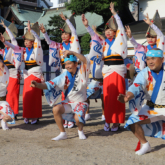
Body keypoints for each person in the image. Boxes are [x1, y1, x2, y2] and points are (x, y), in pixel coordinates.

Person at [30, 50, 90, 140]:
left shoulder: (82, 71)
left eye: (69, 63)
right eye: (65, 64)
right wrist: (37, 85)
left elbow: (85, 60)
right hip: (69, 103)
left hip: (81, 103)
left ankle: (80, 130)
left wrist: (73, 53)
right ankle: (62, 133)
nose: (67, 66)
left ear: (76, 64)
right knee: (56, 109)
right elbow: (49, 84)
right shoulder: (64, 75)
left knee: (78, 120)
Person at [118, 48, 165, 155]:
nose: (150, 61)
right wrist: (127, 96)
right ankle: (145, 145)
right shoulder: (144, 72)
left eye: (153, 58)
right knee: (132, 122)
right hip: (152, 108)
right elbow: (136, 86)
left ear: (162, 59)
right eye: (148, 59)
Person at [39, 12, 81, 129]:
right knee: (64, 94)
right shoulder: (60, 46)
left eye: (66, 34)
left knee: (73, 94)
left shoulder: (73, 43)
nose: (63, 36)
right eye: (62, 34)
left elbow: (74, 32)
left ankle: (72, 118)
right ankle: (66, 118)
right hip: (64, 72)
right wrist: (44, 33)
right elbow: (49, 43)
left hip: (73, 72)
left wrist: (66, 20)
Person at [0, 21, 44, 124]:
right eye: (25, 41)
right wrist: (5, 42)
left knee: (34, 97)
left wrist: (31, 31)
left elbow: (37, 39)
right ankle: (27, 115)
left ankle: (34, 116)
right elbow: (15, 46)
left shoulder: (37, 49)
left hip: (35, 75)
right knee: (26, 96)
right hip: (27, 75)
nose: (25, 42)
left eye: (28, 41)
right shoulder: (23, 50)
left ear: (33, 42)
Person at [102, 2, 127, 131]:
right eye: (107, 30)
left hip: (118, 70)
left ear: (115, 32)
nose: (108, 33)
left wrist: (115, 14)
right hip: (107, 71)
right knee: (107, 96)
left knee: (118, 96)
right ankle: (107, 120)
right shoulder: (104, 44)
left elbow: (121, 28)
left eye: (111, 31)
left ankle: (116, 121)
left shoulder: (119, 40)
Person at [81, 14, 105, 121]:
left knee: (104, 98)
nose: (92, 45)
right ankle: (87, 113)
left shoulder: (104, 54)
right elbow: (81, 59)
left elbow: (103, 40)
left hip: (104, 81)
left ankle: (104, 114)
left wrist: (95, 32)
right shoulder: (88, 56)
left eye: (93, 44)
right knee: (85, 95)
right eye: (91, 44)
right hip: (94, 80)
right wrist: (88, 27)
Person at [0, 20, 20, 119]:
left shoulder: (14, 48)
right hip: (5, 75)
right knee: (5, 93)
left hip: (13, 73)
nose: (5, 42)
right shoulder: (3, 51)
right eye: (4, 41)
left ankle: (14, 112)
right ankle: (7, 111)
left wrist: (5, 28)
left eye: (7, 41)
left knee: (12, 93)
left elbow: (13, 39)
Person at [0, 54, 15, 130]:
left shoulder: (4, 68)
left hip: (1, 100)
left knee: (10, 116)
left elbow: (2, 65)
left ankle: (3, 121)